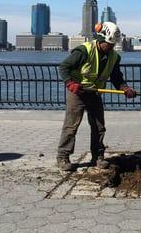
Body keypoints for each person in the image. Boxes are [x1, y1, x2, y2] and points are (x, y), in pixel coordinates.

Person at [56, 21, 136, 171]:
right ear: (100, 40)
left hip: (95, 93)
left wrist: (125, 88)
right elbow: (64, 67)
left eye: (113, 44)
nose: (111, 47)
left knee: (99, 127)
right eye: (108, 44)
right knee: (71, 126)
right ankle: (63, 157)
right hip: (77, 93)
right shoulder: (84, 51)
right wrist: (70, 83)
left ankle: (98, 156)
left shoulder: (114, 57)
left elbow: (116, 77)